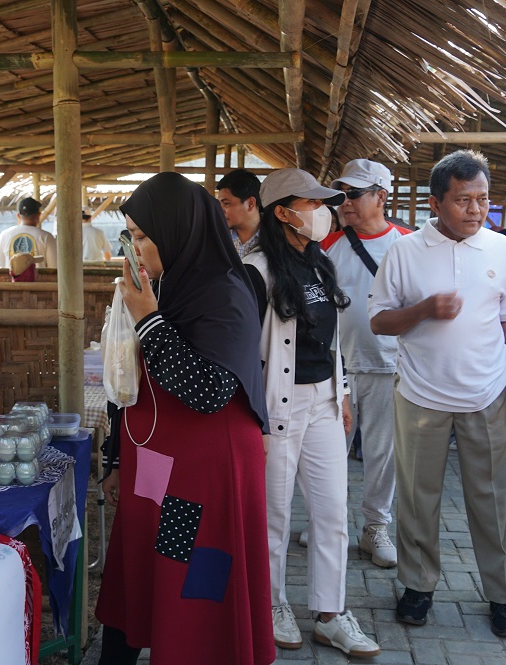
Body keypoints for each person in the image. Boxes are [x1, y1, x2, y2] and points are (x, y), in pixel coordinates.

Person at [95, 172, 274, 665]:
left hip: (203, 471)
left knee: (192, 576)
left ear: (177, 231)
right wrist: (115, 458)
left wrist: (148, 318)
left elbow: (208, 391)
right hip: (159, 461)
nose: (134, 249)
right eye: (130, 236)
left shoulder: (224, 292)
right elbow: (127, 380)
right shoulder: (162, 283)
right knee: (143, 563)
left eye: (142, 237)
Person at [369, 150, 506, 638]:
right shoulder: (404, 251)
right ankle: (417, 586)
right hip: (420, 394)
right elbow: (379, 321)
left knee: (492, 498)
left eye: (482, 199)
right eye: (464, 199)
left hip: (487, 394)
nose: (476, 209)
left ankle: (504, 594)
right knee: (417, 497)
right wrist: (424, 309)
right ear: (435, 203)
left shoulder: (502, 249)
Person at [244, 168, 381, 657]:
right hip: (277, 406)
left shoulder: (321, 262)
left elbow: (331, 339)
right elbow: (245, 351)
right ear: (283, 213)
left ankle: (330, 613)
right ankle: (273, 605)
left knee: (332, 513)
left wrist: (340, 392)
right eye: (313, 204)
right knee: (274, 516)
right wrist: (255, 419)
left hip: (323, 402)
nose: (324, 212)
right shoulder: (256, 270)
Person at [324, 159, 412, 569]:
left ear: (381, 196)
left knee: (382, 454)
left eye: (354, 194)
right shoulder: (326, 246)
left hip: (389, 366)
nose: (345, 202)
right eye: (341, 195)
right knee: (328, 452)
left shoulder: (408, 245)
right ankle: (329, 524)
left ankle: (376, 527)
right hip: (335, 369)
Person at [0, 196, 57, 269]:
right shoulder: (46, 237)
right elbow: (53, 268)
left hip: (10, 277)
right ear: (38, 215)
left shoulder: (4, 235)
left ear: (18, 216)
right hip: (37, 277)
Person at [216, 168, 262, 258]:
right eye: (219, 204)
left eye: (226, 204)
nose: (220, 210)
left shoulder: (276, 237)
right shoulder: (218, 236)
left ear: (250, 203)